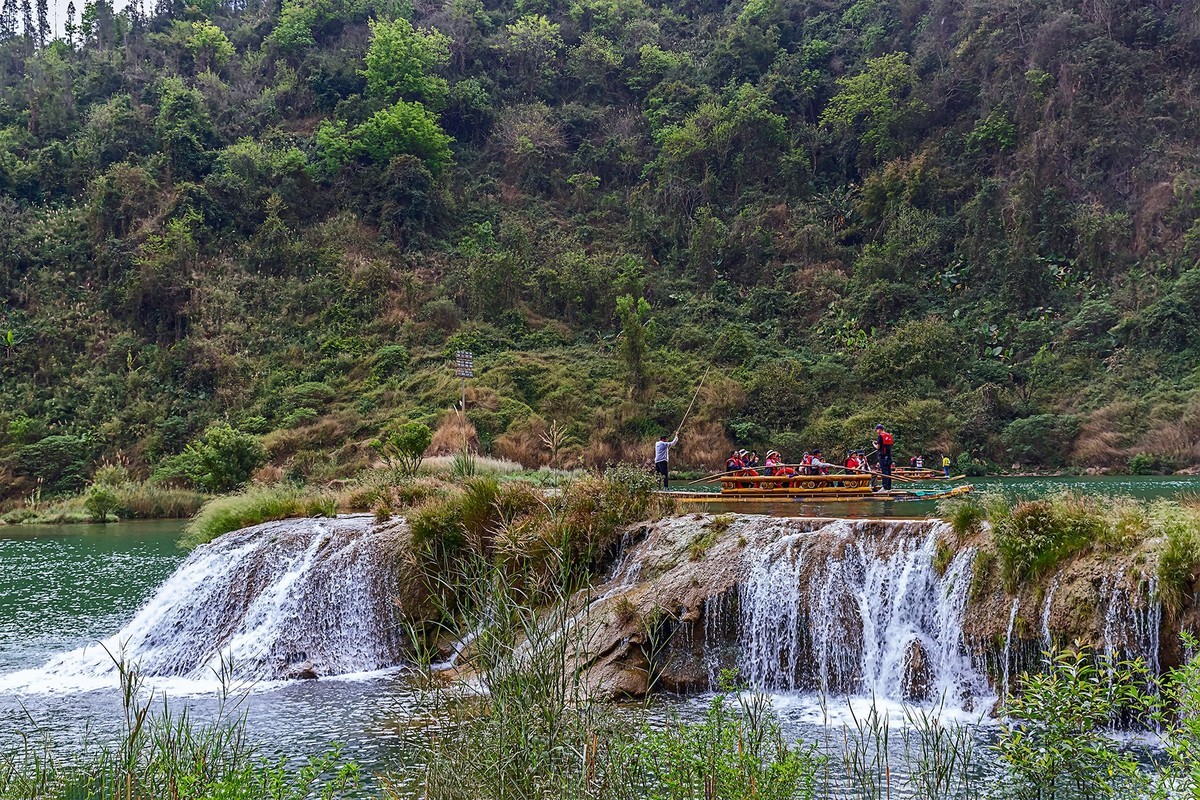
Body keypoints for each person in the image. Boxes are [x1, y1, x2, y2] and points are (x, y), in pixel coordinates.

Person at [874, 424, 894, 490]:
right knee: (888, 472)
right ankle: (889, 487)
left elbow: (878, 447)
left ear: (879, 430)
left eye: (877, 430)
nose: (877, 432)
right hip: (889, 457)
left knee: (884, 472)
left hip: (882, 457)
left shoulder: (880, 436)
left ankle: (884, 487)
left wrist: (874, 444)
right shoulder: (889, 435)